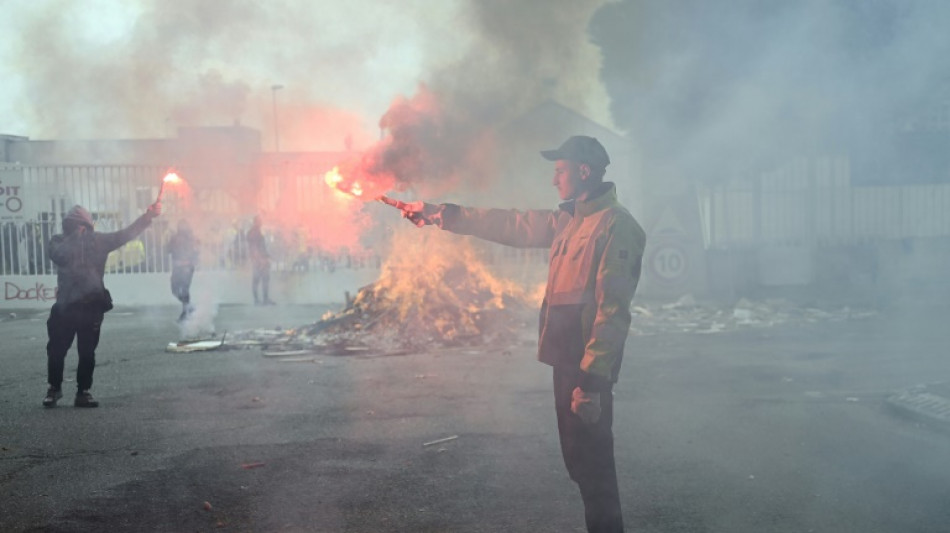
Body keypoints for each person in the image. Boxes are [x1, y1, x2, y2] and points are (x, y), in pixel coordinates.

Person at [399, 136, 646, 532]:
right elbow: (508, 223)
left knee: (595, 468)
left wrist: (591, 382)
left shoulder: (616, 226)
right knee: (580, 465)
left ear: (584, 171)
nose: (554, 180)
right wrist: (438, 213)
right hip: (564, 362)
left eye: (560, 171)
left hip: (585, 369)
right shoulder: (568, 220)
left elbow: (612, 312)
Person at [43, 201, 162, 408]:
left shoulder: (98, 242)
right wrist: (74, 238)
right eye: (73, 225)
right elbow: (58, 256)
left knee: (87, 352)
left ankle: (83, 391)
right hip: (65, 306)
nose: (78, 229)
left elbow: (126, 234)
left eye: (81, 225)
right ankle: (54, 388)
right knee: (56, 350)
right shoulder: (58, 241)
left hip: (91, 305)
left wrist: (147, 217)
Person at [166, 219, 200, 321]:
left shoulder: (185, 238)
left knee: (181, 289)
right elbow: (168, 249)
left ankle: (187, 311)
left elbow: (168, 249)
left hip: (185, 267)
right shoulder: (178, 238)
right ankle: (188, 308)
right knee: (177, 289)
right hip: (182, 267)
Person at [246, 215, 274, 305]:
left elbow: (260, 247)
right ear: (255, 222)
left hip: (260, 258)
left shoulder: (255, 232)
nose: (261, 223)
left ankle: (262, 299)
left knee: (263, 278)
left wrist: (266, 256)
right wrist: (260, 259)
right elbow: (254, 248)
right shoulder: (254, 233)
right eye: (259, 221)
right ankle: (259, 299)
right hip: (258, 259)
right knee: (258, 279)